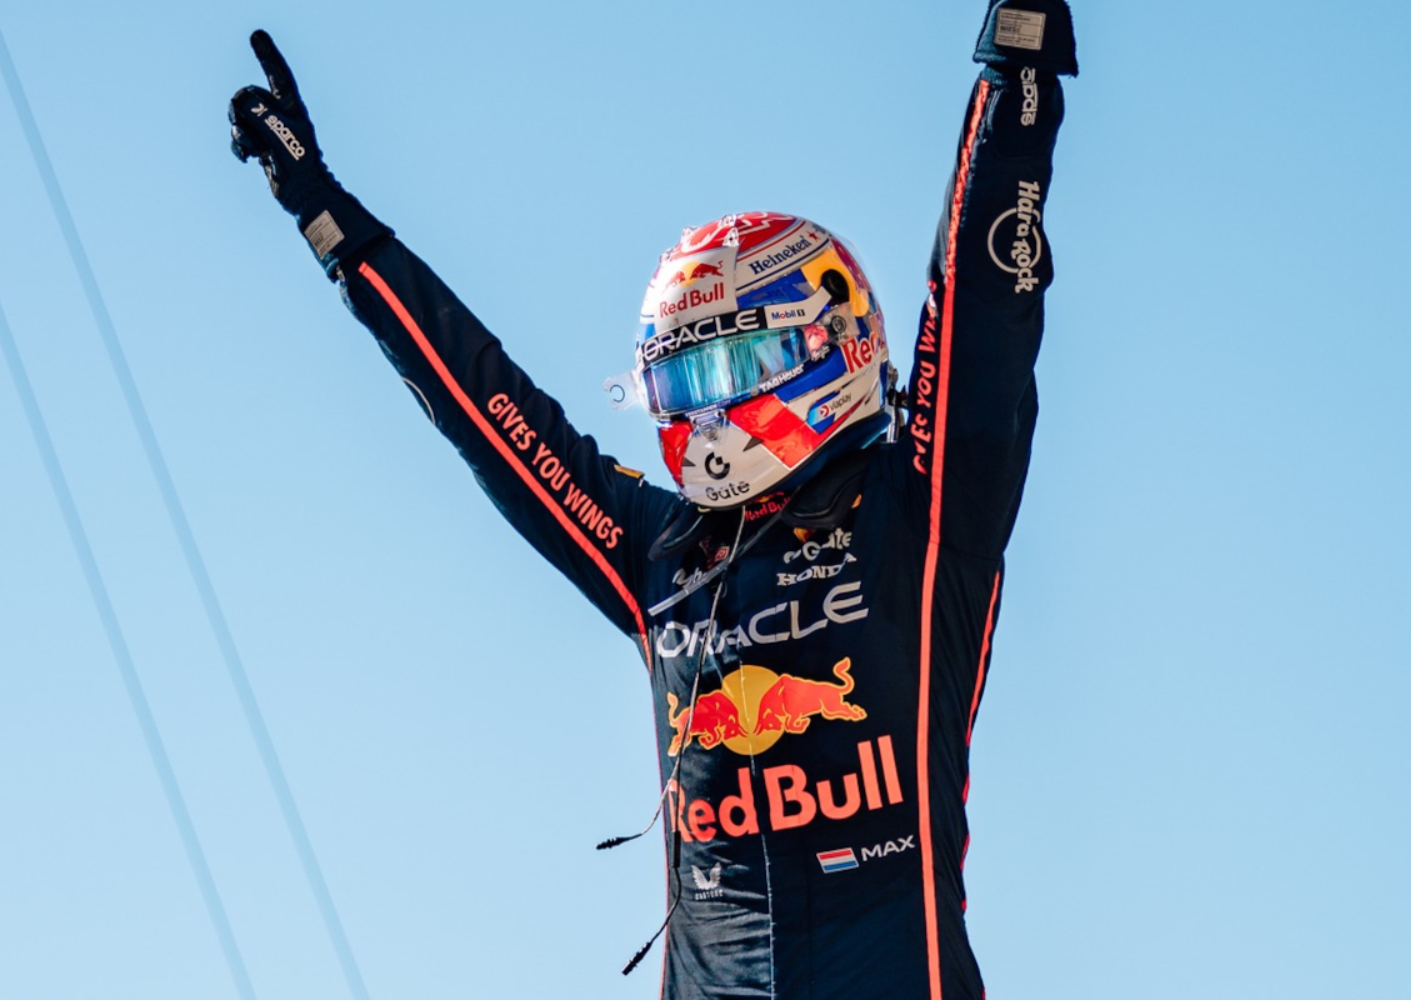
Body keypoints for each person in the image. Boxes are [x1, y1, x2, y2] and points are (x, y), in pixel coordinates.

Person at [229, 2, 1076, 997]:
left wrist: (1016, 65)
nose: (710, 409)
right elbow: (490, 411)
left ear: (829, 342)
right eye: (683, 380)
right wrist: (331, 222)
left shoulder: (925, 508)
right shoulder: (660, 549)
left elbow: (981, 305)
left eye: (737, 365)